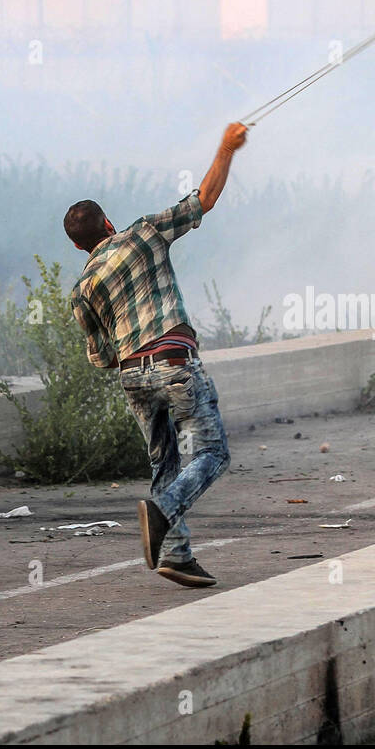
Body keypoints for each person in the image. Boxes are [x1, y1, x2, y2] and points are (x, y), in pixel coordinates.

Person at [64, 123, 248, 588]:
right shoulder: (142, 234)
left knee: (163, 462)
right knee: (212, 453)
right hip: (173, 362)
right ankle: (163, 513)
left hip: (133, 378)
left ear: (77, 245)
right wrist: (226, 148)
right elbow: (203, 198)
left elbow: (100, 355)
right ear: (108, 224)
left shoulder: (82, 289)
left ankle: (177, 554)